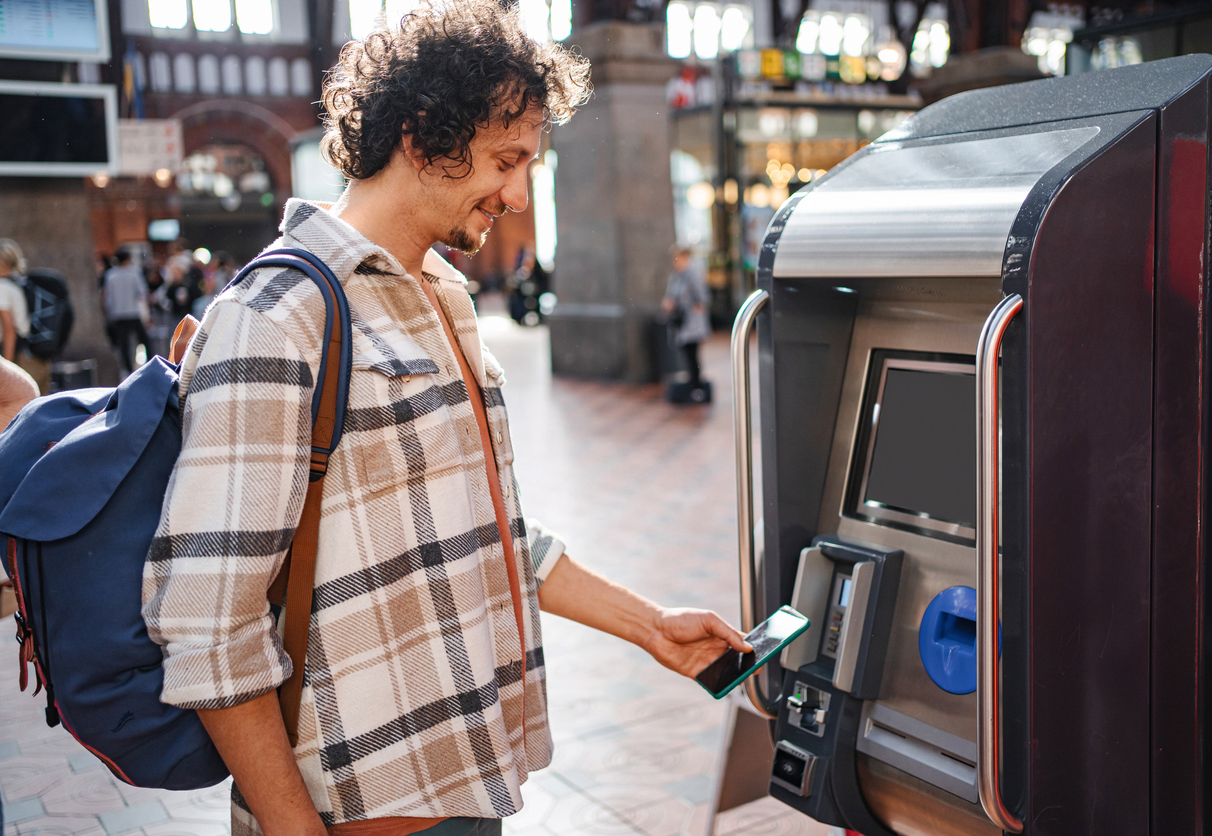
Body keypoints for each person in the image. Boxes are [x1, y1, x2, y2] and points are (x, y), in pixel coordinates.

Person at [141, 4, 749, 836]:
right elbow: (207, 619)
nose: (517, 192)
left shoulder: (443, 297)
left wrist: (652, 628)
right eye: (506, 159)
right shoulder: (279, 314)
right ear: (423, 134)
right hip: (354, 813)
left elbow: (484, 532)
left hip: (466, 783)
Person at [661, 246, 711, 389]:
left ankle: (696, 386)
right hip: (681, 322)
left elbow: (702, 298)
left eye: (678, 258)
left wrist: (696, 307)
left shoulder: (693, 275)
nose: (675, 262)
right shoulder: (675, 277)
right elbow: (671, 296)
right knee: (687, 355)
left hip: (692, 324)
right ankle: (693, 384)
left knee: (692, 355)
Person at [102, 248, 151, 375]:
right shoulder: (134, 272)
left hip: (118, 315)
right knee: (144, 341)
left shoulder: (110, 275)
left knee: (123, 345)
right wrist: (146, 315)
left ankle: (128, 371)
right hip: (133, 312)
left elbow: (108, 298)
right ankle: (151, 363)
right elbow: (142, 293)